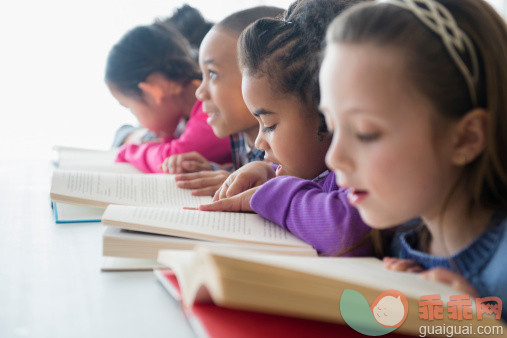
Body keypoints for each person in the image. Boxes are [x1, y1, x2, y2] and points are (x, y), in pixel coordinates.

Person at [320, 0, 507, 318]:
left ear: (466, 138)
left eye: (366, 133)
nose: (333, 158)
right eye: (331, 127)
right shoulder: (400, 248)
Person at [198, 0, 373, 257]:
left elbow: (344, 228)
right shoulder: (326, 174)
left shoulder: (364, 170)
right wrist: (270, 174)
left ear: (327, 111)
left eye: (269, 125)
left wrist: (275, 192)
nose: (259, 142)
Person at [161, 6, 284, 195]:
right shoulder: (240, 135)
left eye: (212, 74)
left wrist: (242, 184)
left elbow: (286, 185)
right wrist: (214, 171)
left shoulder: (285, 146)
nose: (200, 93)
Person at [105, 6, 231, 173]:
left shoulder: (211, 112)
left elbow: (171, 158)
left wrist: (127, 151)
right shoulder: (186, 118)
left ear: (153, 89)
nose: (138, 120)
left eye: (130, 107)